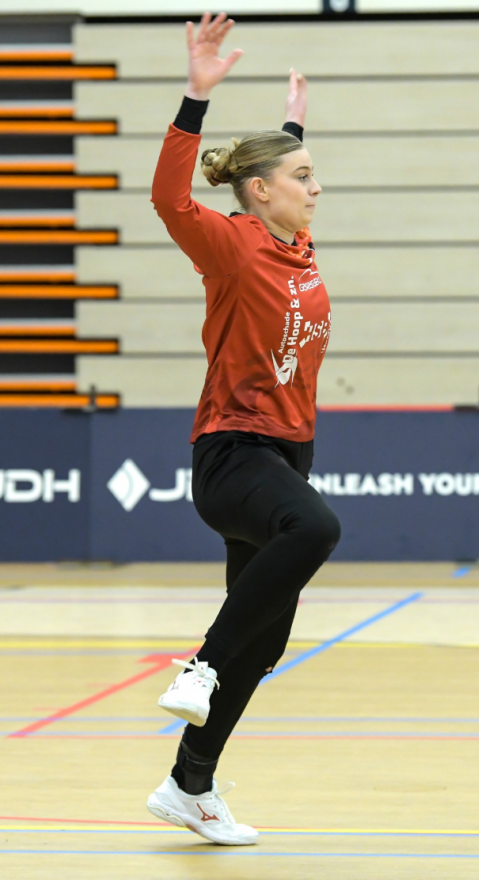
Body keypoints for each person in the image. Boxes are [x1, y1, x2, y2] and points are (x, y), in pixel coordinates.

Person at [147, 12, 341, 846]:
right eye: (303, 175)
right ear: (261, 193)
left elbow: (272, 171)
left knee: (264, 641)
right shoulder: (231, 246)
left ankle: (189, 784)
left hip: (287, 455)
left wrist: (289, 127)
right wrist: (195, 97)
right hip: (235, 453)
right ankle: (200, 666)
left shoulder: (297, 247)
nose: (316, 187)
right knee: (316, 528)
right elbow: (168, 199)